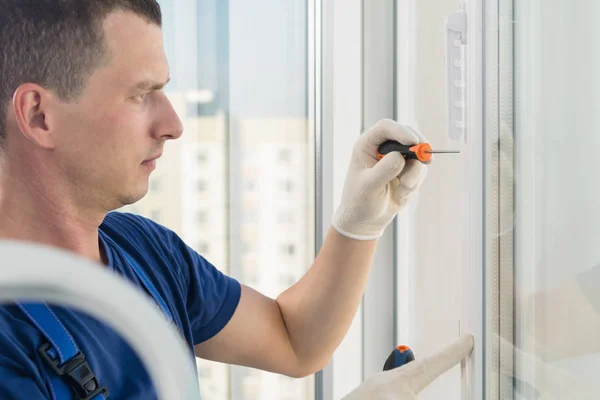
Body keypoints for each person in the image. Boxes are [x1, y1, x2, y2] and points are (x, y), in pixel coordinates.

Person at [0, 1, 472, 399]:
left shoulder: (141, 250)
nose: (173, 124)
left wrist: (358, 224)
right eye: (142, 94)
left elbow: (293, 342)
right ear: (39, 116)